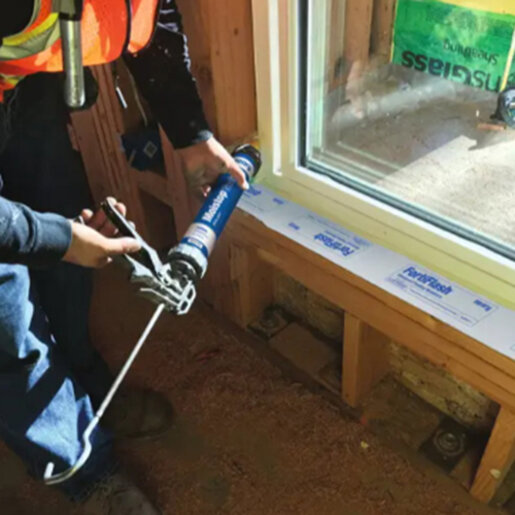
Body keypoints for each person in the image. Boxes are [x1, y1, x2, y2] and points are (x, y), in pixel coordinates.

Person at [0, 1, 247, 513]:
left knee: (58, 205)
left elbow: (147, 17)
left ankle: (83, 383)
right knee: (6, 320)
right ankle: (80, 468)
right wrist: (57, 239)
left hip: (23, 82)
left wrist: (190, 133)